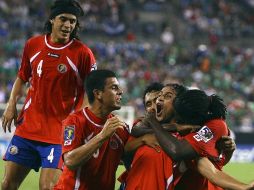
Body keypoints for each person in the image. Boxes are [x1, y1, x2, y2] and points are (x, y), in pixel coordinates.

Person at [1, 0, 96, 189]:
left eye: (72, 21)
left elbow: (91, 90)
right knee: (7, 185)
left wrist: (80, 121)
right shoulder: (33, 45)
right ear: (52, 20)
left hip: (59, 133)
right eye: (63, 19)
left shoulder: (83, 53)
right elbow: (22, 77)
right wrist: (12, 104)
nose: (68, 25)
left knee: (48, 187)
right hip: (28, 128)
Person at [144, 88, 254, 190]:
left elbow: (179, 152)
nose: (160, 99)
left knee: (198, 159)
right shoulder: (176, 125)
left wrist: (153, 123)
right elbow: (137, 130)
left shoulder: (214, 126)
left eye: (168, 96)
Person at [54, 69, 129, 190]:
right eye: (114, 88)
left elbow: (131, 159)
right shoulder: (74, 122)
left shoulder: (121, 128)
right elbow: (70, 161)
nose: (120, 92)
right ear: (98, 93)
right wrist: (102, 136)